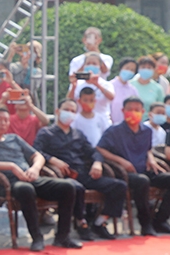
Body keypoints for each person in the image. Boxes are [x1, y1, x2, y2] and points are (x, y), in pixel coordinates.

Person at [0, 106, 81, 251]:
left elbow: (38, 156)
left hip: (31, 177)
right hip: (10, 183)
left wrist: (35, 169)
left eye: (6, 120)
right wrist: (11, 166)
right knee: (26, 189)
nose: (3, 123)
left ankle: (63, 236)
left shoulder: (14, 139)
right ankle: (37, 237)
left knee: (68, 186)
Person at [34, 98, 128, 241]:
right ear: (58, 111)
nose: (70, 113)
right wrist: (52, 160)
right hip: (63, 175)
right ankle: (81, 222)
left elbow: (94, 151)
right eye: (66, 110)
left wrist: (97, 163)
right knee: (76, 187)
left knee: (119, 186)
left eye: (73, 111)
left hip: (83, 172)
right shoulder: (46, 133)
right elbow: (35, 151)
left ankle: (100, 222)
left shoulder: (78, 134)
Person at [96, 97, 170, 236]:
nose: (133, 113)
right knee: (142, 181)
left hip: (143, 167)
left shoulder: (147, 131)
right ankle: (145, 224)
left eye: (137, 110)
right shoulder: (114, 130)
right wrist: (120, 160)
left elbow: (148, 149)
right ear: (123, 111)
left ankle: (160, 220)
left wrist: (151, 159)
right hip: (125, 171)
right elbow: (100, 149)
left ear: (143, 112)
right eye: (129, 109)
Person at [68, 52, 114, 121]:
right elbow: (69, 101)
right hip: (80, 121)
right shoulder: (77, 83)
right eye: (88, 63)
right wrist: (74, 86)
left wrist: (97, 84)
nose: (91, 66)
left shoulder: (106, 84)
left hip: (102, 122)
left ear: (100, 66)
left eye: (94, 64)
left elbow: (111, 97)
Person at [108, 57, 139, 125]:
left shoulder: (133, 90)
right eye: (127, 68)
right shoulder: (109, 86)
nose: (129, 71)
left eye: (132, 70)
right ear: (121, 68)